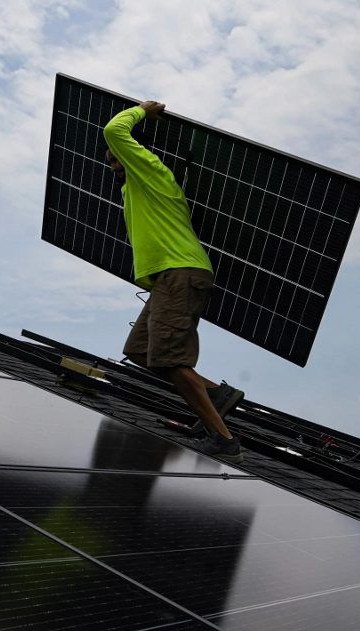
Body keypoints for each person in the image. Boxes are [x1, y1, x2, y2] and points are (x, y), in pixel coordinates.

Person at [104, 100, 244, 463]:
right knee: (139, 349)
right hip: (168, 279)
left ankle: (223, 438)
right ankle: (216, 395)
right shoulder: (134, 189)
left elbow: (114, 131)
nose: (112, 162)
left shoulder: (151, 171)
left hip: (180, 273)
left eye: (116, 157)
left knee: (168, 358)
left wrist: (140, 110)